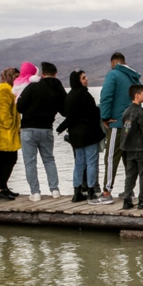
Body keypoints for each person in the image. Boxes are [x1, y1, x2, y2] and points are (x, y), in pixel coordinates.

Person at [17, 61, 66, 201]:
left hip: (28, 129)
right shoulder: (58, 88)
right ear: (55, 74)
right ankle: (55, 189)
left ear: (42, 74)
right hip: (46, 128)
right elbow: (64, 110)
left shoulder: (32, 87)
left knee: (30, 162)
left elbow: (19, 107)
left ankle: (35, 192)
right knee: (49, 159)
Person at [97, 52, 141, 204]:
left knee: (110, 157)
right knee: (128, 157)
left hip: (116, 123)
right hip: (130, 123)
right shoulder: (133, 77)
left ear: (113, 63)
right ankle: (130, 190)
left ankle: (106, 192)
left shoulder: (113, 74)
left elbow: (106, 96)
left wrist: (105, 117)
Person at [57, 69, 105, 203]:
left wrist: (61, 128)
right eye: (84, 78)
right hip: (89, 134)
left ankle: (77, 191)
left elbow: (69, 116)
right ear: (78, 80)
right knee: (91, 162)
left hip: (75, 136)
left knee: (79, 163)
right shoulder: (85, 95)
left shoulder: (69, 96)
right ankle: (90, 191)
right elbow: (94, 114)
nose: (87, 79)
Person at [0, 67, 21, 200]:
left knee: (10, 160)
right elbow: (3, 111)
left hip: (8, 134)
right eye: (16, 77)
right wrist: (10, 126)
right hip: (3, 134)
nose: (18, 80)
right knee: (6, 161)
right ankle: (0, 188)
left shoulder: (9, 89)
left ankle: (4, 186)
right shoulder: (3, 89)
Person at [119, 84, 143, 210]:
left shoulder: (126, 112)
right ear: (137, 95)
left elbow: (126, 131)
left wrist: (125, 144)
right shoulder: (140, 113)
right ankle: (142, 200)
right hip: (142, 148)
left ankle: (127, 199)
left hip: (129, 148)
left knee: (130, 175)